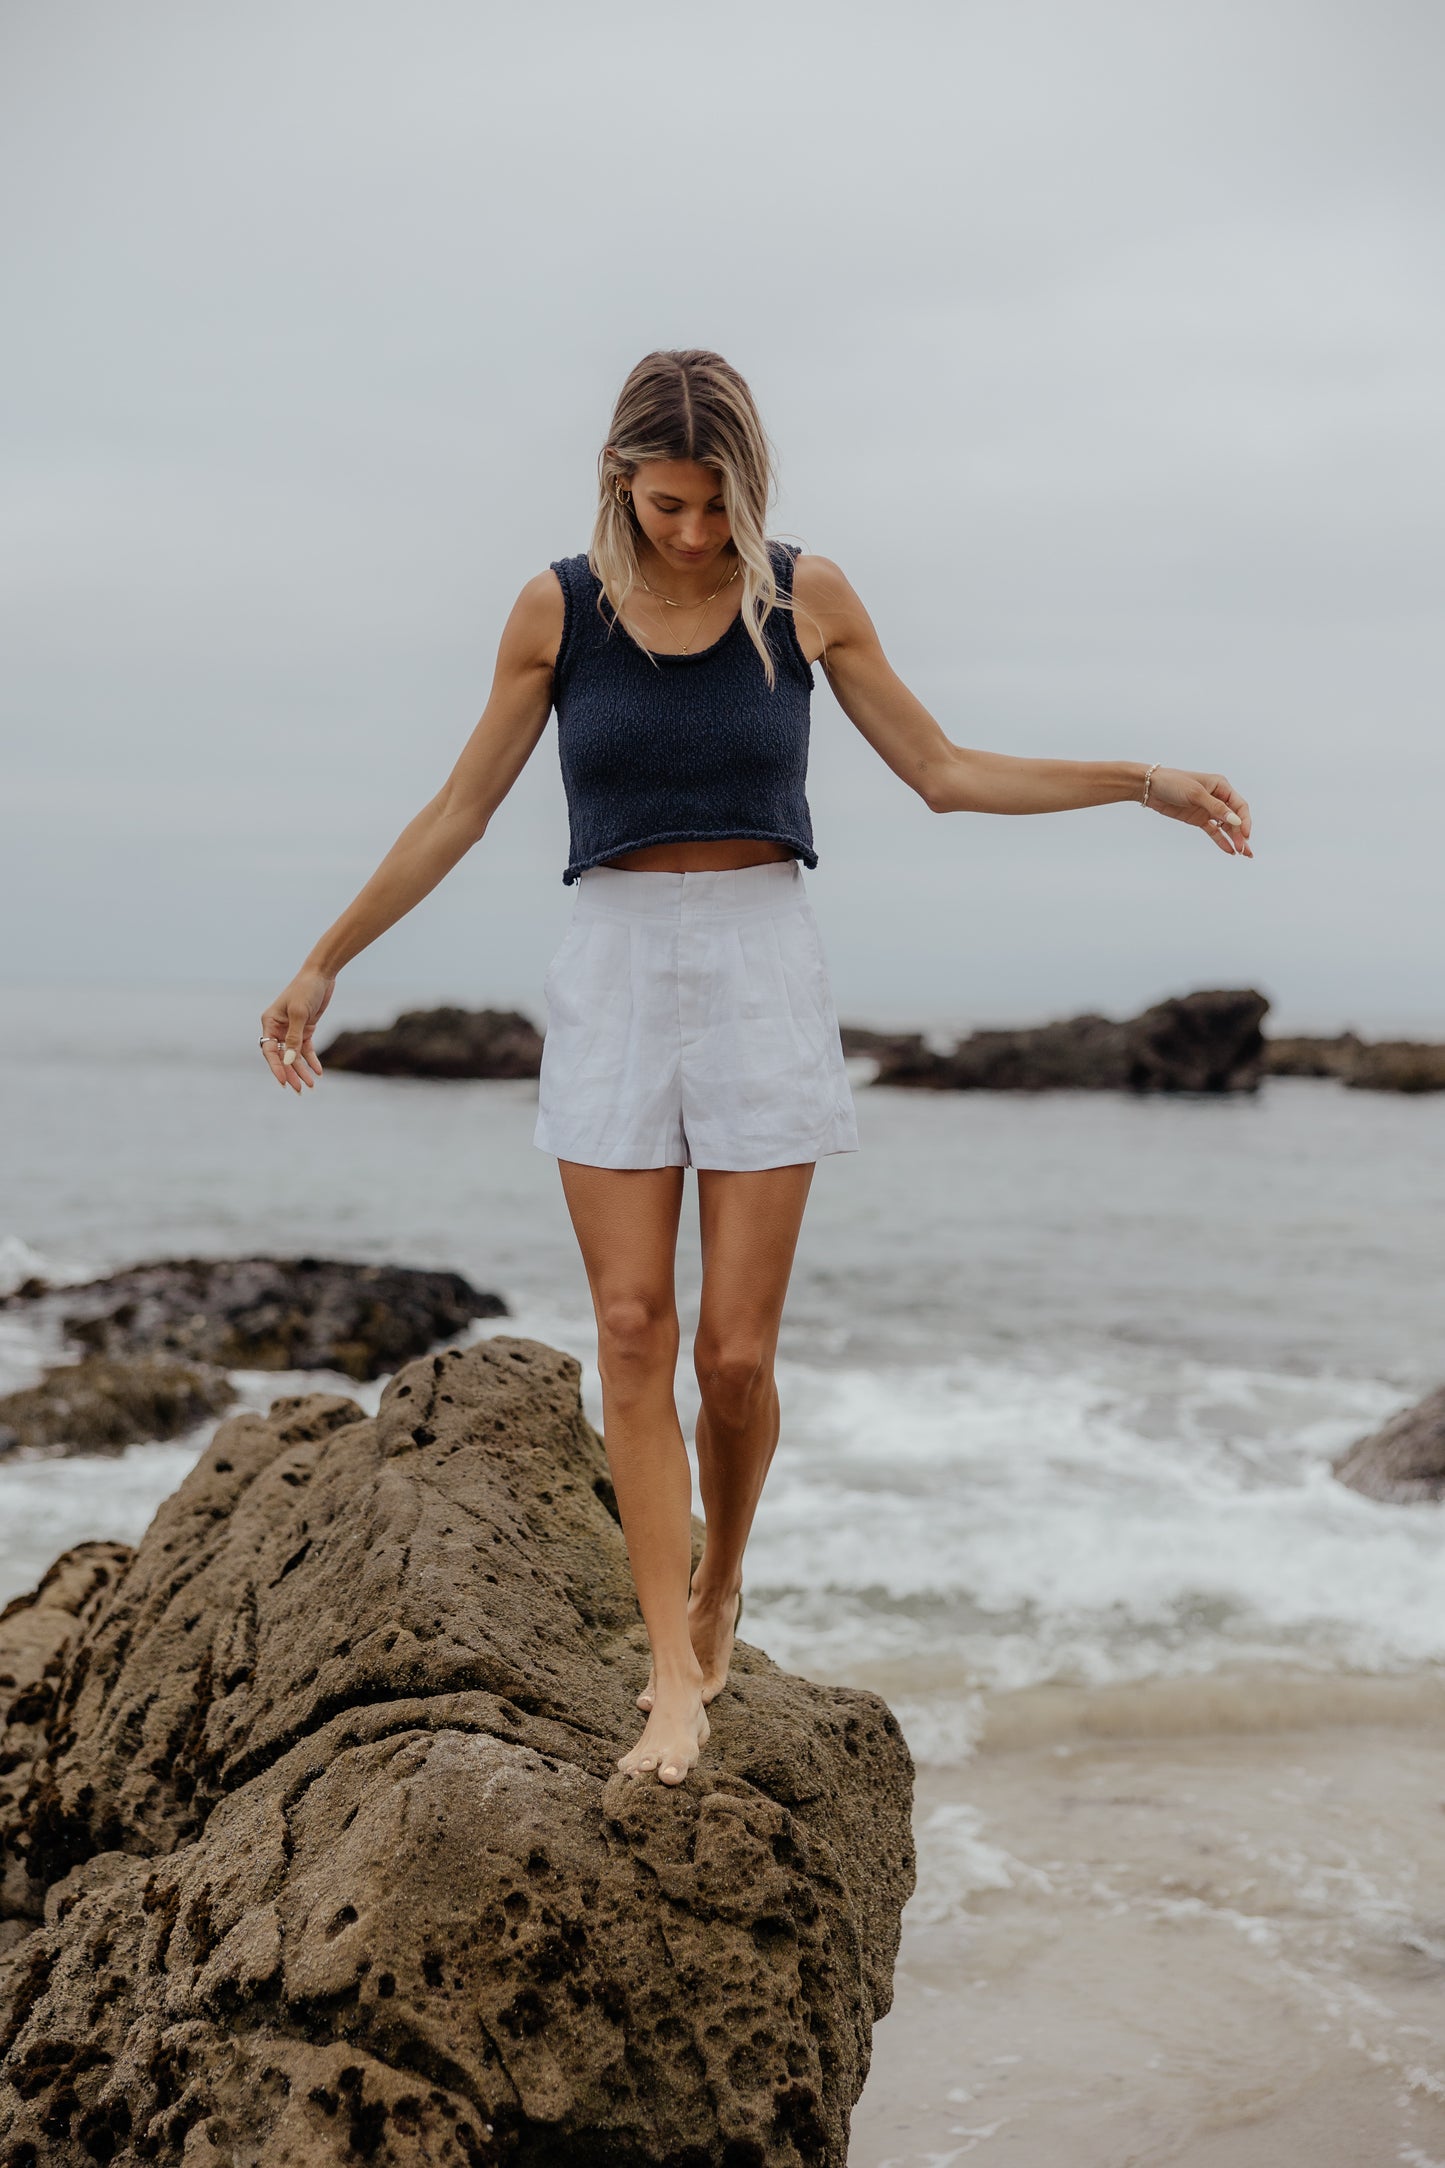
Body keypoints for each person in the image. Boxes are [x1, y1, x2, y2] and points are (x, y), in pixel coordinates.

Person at [259, 347, 1252, 1789]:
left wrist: (1139, 780)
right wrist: (324, 960)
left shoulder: (804, 596)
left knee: (732, 1359)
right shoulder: (556, 611)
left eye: (717, 506)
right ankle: (672, 1673)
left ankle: (724, 1574)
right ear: (621, 482)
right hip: (611, 964)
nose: (693, 533)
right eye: (667, 505)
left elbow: (944, 770)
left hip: (761, 963)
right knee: (631, 1328)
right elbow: (459, 810)